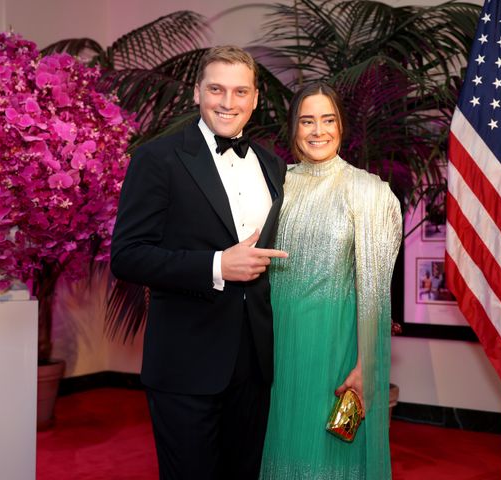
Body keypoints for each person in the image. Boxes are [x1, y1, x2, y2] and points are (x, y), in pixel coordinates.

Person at [111, 45, 287, 480]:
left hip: (256, 363)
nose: (228, 102)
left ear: (255, 98)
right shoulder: (157, 159)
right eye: (216, 89)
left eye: (240, 91)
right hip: (185, 364)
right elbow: (128, 255)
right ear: (196, 93)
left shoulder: (273, 165)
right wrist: (215, 266)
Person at [260, 82, 403, 479]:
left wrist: (366, 366)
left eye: (328, 120)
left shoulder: (368, 192)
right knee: (276, 449)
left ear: (342, 127)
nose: (318, 131)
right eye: (307, 120)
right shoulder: (274, 186)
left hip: (335, 349)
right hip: (274, 346)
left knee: (326, 459)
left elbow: (375, 291)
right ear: (293, 127)